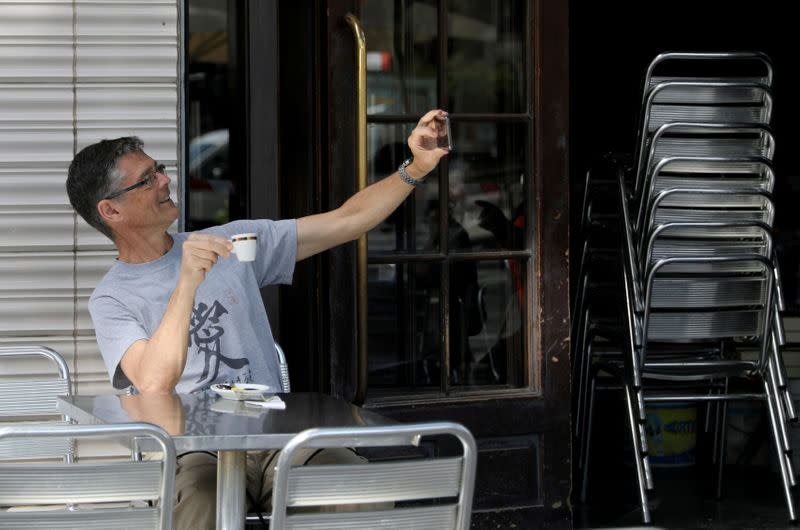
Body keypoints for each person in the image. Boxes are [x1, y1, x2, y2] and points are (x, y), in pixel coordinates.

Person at [65, 109, 450, 529]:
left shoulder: (231, 243)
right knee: (198, 502)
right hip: (194, 450)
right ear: (111, 211)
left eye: (158, 169)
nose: (164, 180)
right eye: (146, 179)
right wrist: (187, 282)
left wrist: (415, 168)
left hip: (276, 436)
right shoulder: (112, 298)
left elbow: (347, 221)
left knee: (354, 486)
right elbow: (155, 382)